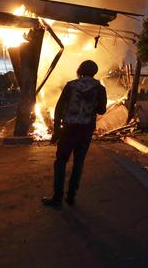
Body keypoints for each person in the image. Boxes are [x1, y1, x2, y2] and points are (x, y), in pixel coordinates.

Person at [42, 60, 107, 207]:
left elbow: (58, 109)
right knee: (78, 162)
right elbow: (102, 110)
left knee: (60, 161)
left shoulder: (71, 85)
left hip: (69, 129)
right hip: (86, 130)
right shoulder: (100, 89)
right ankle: (71, 196)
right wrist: (91, 104)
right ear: (94, 72)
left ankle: (57, 197)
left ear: (80, 70)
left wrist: (57, 130)